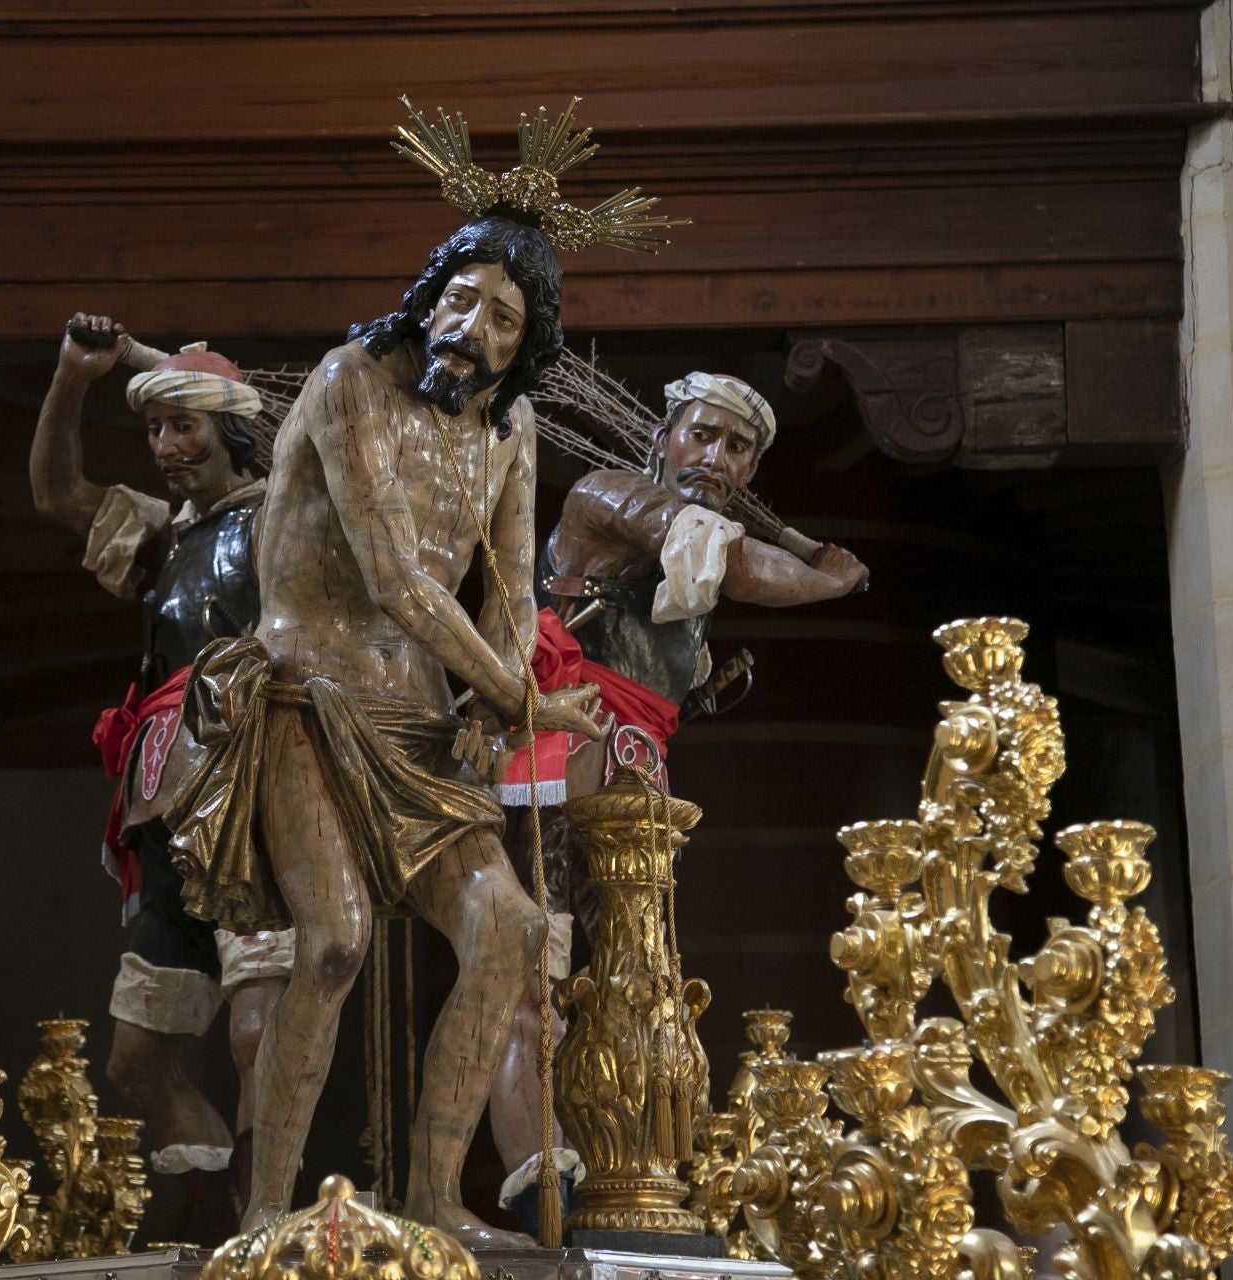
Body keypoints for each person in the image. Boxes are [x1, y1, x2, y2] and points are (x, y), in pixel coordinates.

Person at [165, 218, 607, 1245]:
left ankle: (432, 1197)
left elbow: (506, 582)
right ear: (430, 290)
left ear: (525, 343)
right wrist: (518, 696)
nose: (472, 325)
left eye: (504, 317)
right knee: (334, 940)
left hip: (420, 714)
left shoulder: (512, 426)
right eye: (461, 294)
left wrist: (491, 704)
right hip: (305, 695)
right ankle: (267, 1215)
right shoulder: (349, 378)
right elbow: (396, 573)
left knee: (507, 929)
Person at [490, 370, 870, 1224]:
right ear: (662, 437)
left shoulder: (686, 553)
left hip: (636, 767)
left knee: (643, 982)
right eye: (701, 435)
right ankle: (536, 1178)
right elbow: (737, 562)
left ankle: (637, 1176)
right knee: (532, 968)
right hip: (563, 743)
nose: (715, 457)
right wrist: (828, 580)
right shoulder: (612, 496)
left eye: (738, 448)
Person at [28, 313, 291, 1241]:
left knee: (260, 1037)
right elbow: (60, 493)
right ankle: (225, 1220)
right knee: (135, 1062)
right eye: (153, 428)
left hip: (257, 794)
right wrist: (74, 376)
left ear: (233, 428)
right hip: (163, 808)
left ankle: (259, 1233)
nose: (167, 446)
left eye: (185, 426)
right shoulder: (162, 536)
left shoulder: (285, 515)